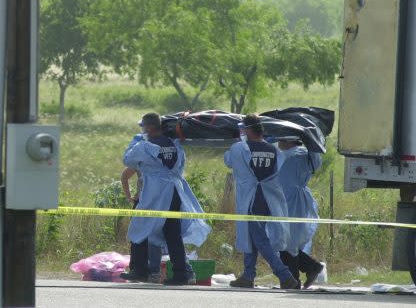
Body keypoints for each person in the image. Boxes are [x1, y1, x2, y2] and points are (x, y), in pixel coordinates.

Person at [121, 113, 211, 285]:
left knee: (140, 227)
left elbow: (127, 159)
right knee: (172, 233)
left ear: (147, 128)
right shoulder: (175, 144)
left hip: (154, 193)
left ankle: (139, 269)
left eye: (143, 127)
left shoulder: (144, 146)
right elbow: (180, 165)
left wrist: (135, 142)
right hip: (174, 192)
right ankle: (181, 273)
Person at [224, 114, 299, 290]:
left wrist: (237, 143)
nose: (242, 131)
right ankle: (248, 275)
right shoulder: (273, 150)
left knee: (259, 238)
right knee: (252, 236)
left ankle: (285, 275)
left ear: (249, 130)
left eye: (243, 129)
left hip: (253, 199)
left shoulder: (239, 148)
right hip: (269, 198)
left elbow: (228, 161)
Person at [277, 138, 324, 289]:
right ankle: (310, 268)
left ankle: (294, 278)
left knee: (286, 242)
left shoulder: (291, 156)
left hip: (289, 201)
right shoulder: (306, 155)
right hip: (298, 200)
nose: (278, 141)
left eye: (282, 137)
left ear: (290, 140)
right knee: (289, 241)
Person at [120, 167, 164, 283]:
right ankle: (137, 270)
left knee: (154, 237)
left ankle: (153, 271)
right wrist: (129, 196)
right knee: (137, 237)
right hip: (142, 202)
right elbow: (124, 175)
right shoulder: (140, 158)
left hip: (157, 202)